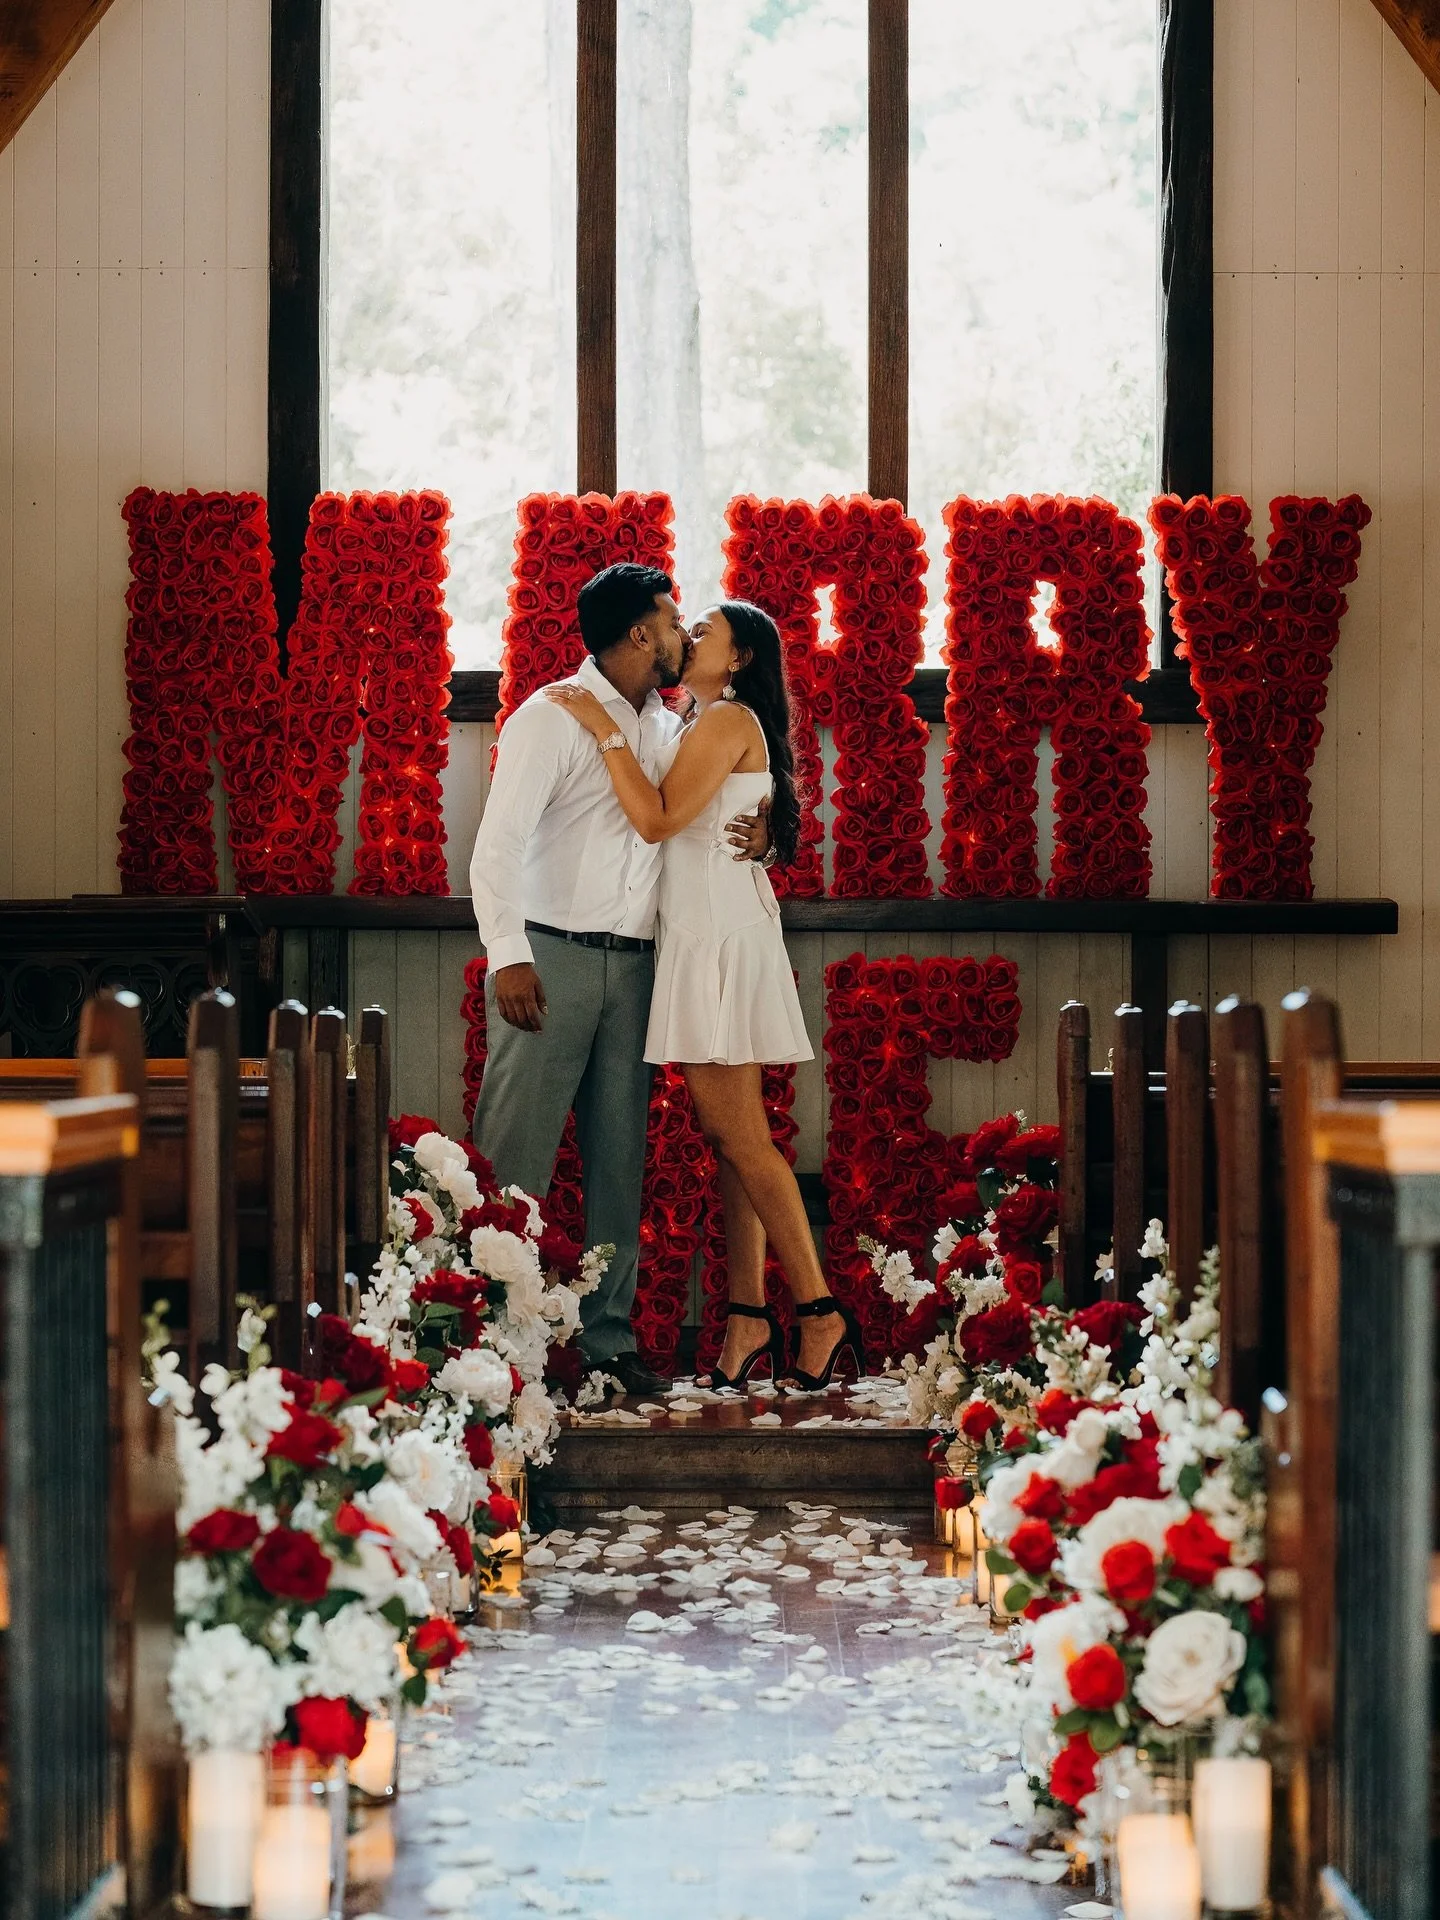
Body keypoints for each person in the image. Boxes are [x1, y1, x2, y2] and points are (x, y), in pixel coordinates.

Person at [547, 599, 865, 1392]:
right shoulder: (707, 721)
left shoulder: (725, 722)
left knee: (743, 1139)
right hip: (707, 933)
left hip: (716, 940)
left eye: (705, 636)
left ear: (741, 658)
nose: (689, 641)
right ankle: (748, 1318)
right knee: (734, 1140)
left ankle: (821, 1313)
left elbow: (656, 821)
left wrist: (603, 728)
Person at [469, 563, 769, 1397]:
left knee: (618, 1162)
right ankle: (491, 1342)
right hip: (551, 957)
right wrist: (509, 953)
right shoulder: (549, 717)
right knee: (514, 1157)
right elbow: (494, 848)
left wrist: (765, 829)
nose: (683, 635)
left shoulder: (668, 725)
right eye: (675, 621)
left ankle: (608, 1341)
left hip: (641, 966)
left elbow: (702, 808)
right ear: (640, 634)